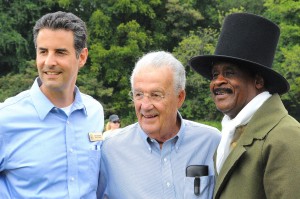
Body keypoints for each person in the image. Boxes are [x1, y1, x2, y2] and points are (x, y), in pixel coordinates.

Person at [189, 13, 300, 199]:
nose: (218, 82)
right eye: (215, 74)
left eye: (229, 73)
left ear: (258, 81)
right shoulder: (234, 132)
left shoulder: (286, 136)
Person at [0, 11, 104, 198]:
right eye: (43, 52)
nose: (49, 62)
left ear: (81, 57)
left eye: (60, 52)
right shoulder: (5, 119)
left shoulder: (94, 112)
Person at [97, 51, 221, 199]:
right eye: (138, 95)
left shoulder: (212, 143)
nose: (145, 105)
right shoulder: (109, 150)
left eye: (156, 95)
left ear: (179, 98)